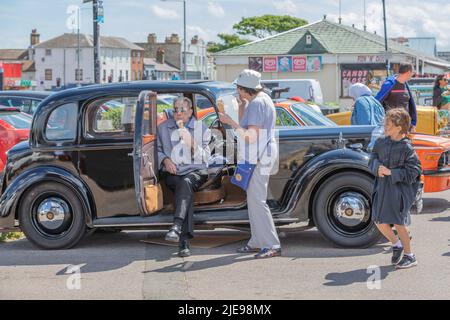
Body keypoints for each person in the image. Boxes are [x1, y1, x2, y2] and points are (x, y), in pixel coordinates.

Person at [219, 69, 281, 259]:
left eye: (238, 88)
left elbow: (249, 136)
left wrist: (229, 122)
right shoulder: (262, 100)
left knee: (258, 202)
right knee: (254, 202)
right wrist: (241, 108)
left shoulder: (257, 104)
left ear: (243, 88)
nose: (237, 91)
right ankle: (257, 241)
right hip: (262, 155)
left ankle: (271, 244)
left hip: (258, 157)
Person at [369, 108, 422, 269]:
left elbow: (414, 171)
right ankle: (396, 245)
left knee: (399, 223)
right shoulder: (380, 142)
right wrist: (376, 167)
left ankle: (410, 256)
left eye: (389, 125)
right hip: (382, 188)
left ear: (399, 127)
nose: (385, 127)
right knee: (378, 220)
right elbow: (372, 158)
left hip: (399, 191)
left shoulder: (407, 148)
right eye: (385, 124)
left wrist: (391, 172)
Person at [158, 97, 211, 257]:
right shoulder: (163, 128)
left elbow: (204, 157)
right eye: (175, 110)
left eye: (182, 110)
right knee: (183, 185)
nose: (178, 113)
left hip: (195, 171)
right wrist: (165, 160)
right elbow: (156, 150)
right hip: (173, 172)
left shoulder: (201, 128)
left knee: (186, 183)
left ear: (190, 112)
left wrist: (187, 136)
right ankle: (182, 237)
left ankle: (178, 229)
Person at [375, 64, 417, 132]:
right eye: (413, 72)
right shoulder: (389, 84)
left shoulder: (406, 85)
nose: (413, 74)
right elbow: (376, 102)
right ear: (409, 72)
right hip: (392, 127)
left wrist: (413, 123)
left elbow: (410, 105)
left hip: (405, 126)